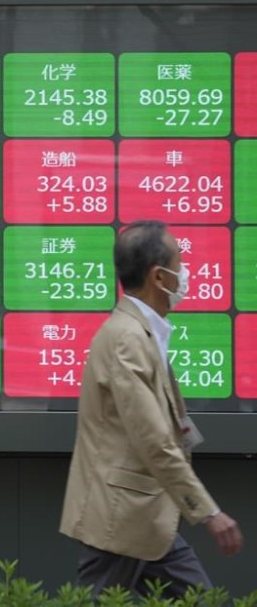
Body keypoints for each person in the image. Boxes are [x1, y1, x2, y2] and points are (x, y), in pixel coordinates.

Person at [59, 219, 243, 598]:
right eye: (180, 262)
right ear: (159, 277)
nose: (186, 272)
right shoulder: (127, 339)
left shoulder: (141, 332)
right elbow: (154, 440)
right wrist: (209, 513)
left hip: (145, 518)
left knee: (204, 600)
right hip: (119, 520)